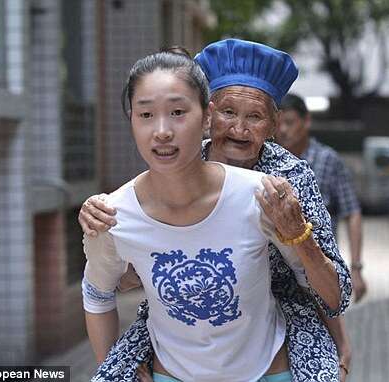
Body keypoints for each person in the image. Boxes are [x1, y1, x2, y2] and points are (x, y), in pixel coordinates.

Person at [80, 39, 352, 381]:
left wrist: (339, 341)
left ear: (273, 125)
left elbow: (324, 283)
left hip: (280, 318)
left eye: (254, 117)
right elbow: (118, 267)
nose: (239, 129)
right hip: (176, 322)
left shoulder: (286, 178)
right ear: (209, 116)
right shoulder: (179, 158)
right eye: (228, 113)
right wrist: (99, 215)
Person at [276, 93, 367, 302]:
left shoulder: (328, 160)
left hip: (321, 269)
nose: (283, 130)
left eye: (290, 123)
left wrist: (356, 268)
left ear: (306, 121)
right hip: (278, 276)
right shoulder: (268, 161)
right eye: (278, 124)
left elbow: (351, 212)